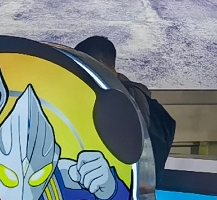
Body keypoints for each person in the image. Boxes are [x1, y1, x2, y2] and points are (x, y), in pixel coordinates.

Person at [74, 36, 176, 177]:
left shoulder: (125, 97)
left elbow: (132, 147)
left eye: (83, 67)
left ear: (97, 64)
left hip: (124, 182)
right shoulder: (129, 94)